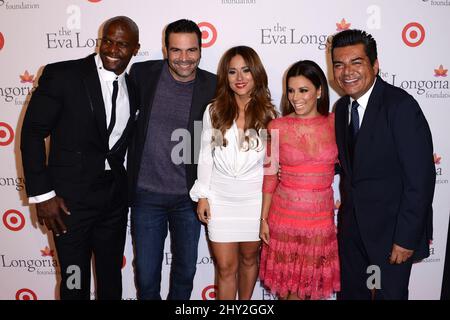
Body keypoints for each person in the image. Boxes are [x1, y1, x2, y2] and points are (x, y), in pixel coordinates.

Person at [20, 16, 140, 300]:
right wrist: (43, 194)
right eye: (108, 41)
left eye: (122, 44)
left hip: (113, 202)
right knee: (74, 280)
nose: (112, 49)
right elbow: (32, 134)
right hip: (68, 204)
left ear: (135, 49)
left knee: (111, 277)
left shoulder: (133, 89)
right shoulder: (63, 75)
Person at [331, 29, 436, 300]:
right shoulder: (342, 109)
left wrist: (405, 238)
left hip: (391, 236)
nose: (347, 72)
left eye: (356, 62)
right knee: (357, 295)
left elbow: (420, 180)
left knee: (387, 296)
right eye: (339, 64)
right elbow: (352, 164)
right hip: (353, 233)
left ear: (375, 65)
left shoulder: (400, 106)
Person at [128, 19, 217, 300]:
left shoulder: (214, 86)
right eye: (176, 50)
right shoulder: (142, 74)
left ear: (201, 51)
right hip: (146, 194)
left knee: (185, 272)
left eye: (191, 51)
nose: (184, 58)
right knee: (145, 272)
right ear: (165, 50)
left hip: (188, 197)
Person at [190, 46, 277, 300]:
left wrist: (267, 210)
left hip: (254, 201)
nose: (239, 77)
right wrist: (203, 196)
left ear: (256, 73)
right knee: (226, 267)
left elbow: (272, 166)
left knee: (250, 260)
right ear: (225, 77)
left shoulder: (270, 115)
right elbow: (205, 155)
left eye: (246, 70)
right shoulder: (213, 111)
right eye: (232, 71)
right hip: (221, 200)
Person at [258, 60, 340, 300]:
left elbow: (352, 164)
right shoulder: (277, 126)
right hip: (284, 219)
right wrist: (264, 219)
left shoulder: (336, 123)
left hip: (320, 221)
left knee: (311, 291)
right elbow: (270, 176)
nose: (296, 97)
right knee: (288, 292)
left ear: (319, 90)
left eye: (303, 90)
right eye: (291, 91)